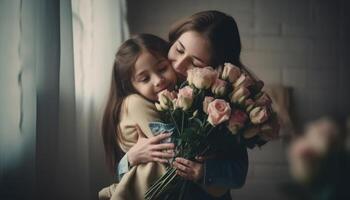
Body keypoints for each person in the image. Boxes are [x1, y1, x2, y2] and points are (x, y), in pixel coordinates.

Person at [118, 10, 262, 199]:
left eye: (195, 62)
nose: (178, 65)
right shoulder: (147, 96)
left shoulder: (222, 107)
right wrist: (129, 160)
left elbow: (238, 174)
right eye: (178, 49)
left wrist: (204, 172)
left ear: (216, 70)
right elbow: (129, 175)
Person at [99, 33, 177, 200]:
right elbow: (172, 149)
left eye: (162, 68)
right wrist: (130, 159)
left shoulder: (172, 100)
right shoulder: (135, 103)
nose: (158, 80)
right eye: (144, 78)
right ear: (130, 85)